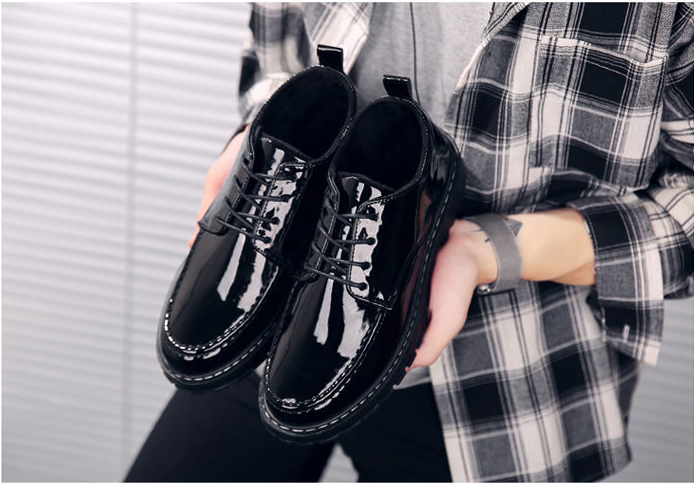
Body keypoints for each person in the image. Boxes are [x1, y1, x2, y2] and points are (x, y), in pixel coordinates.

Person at [126, 2, 694, 482]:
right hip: (288, 292)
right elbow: (277, 49)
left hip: (511, 357)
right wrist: (264, 136)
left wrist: (489, 251)